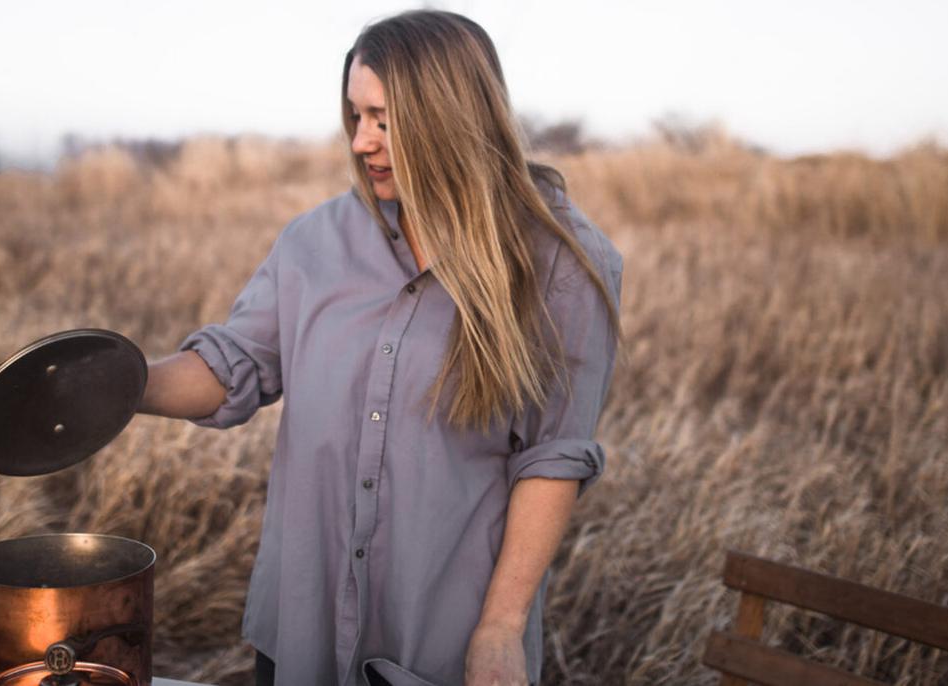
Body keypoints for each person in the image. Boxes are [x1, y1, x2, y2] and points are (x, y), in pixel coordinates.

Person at [137, 10, 623, 686]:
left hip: (445, 640)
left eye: (384, 120)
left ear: (451, 116)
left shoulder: (562, 263)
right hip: (302, 624)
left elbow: (553, 455)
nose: (362, 142)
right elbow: (235, 366)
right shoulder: (314, 242)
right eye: (354, 116)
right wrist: (119, 384)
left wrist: (501, 629)